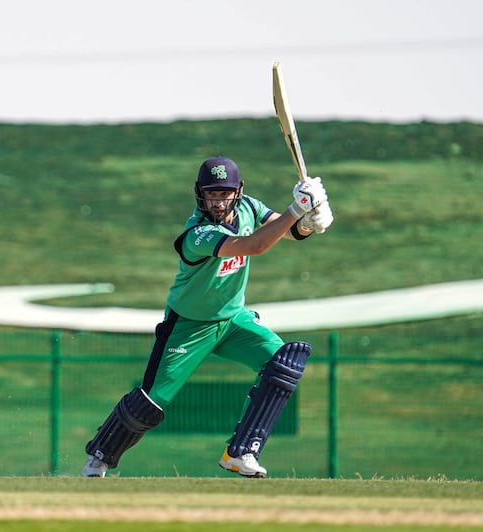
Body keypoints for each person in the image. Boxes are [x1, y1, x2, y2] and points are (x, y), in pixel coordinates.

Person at [82, 156, 333, 478]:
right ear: (200, 194)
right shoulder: (197, 234)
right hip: (188, 325)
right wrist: (297, 209)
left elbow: (285, 231)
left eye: (225, 193)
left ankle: (240, 453)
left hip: (232, 320)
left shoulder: (249, 208)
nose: (219, 200)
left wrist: (309, 223)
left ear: (237, 192)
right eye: (212, 193)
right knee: (150, 403)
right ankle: (100, 455)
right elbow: (254, 245)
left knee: (284, 363)